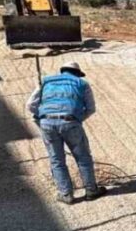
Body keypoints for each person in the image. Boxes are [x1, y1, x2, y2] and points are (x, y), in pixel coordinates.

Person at [26, 61, 107, 205]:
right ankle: (91, 190)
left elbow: (30, 105)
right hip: (71, 122)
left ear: (62, 71)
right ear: (77, 73)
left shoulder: (45, 81)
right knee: (83, 157)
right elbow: (90, 108)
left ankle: (66, 195)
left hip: (47, 124)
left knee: (56, 160)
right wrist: (76, 119)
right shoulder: (82, 83)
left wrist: (43, 116)